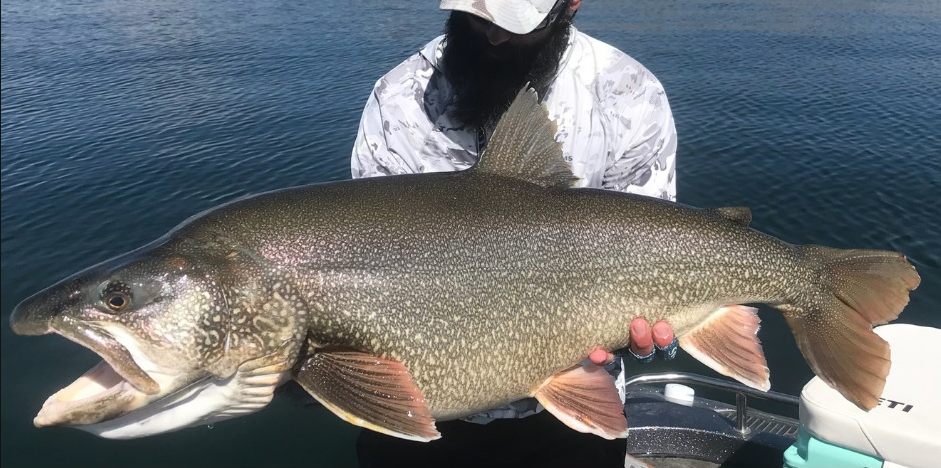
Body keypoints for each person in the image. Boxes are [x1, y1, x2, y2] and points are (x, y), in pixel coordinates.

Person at [351, 0, 678, 466]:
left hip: (572, 410)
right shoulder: (399, 100)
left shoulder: (629, 95)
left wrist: (646, 343)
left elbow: (654, 257)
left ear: (570, 6)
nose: (494, 36)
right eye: (477, 14)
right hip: (413, 414)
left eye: (513, 24)